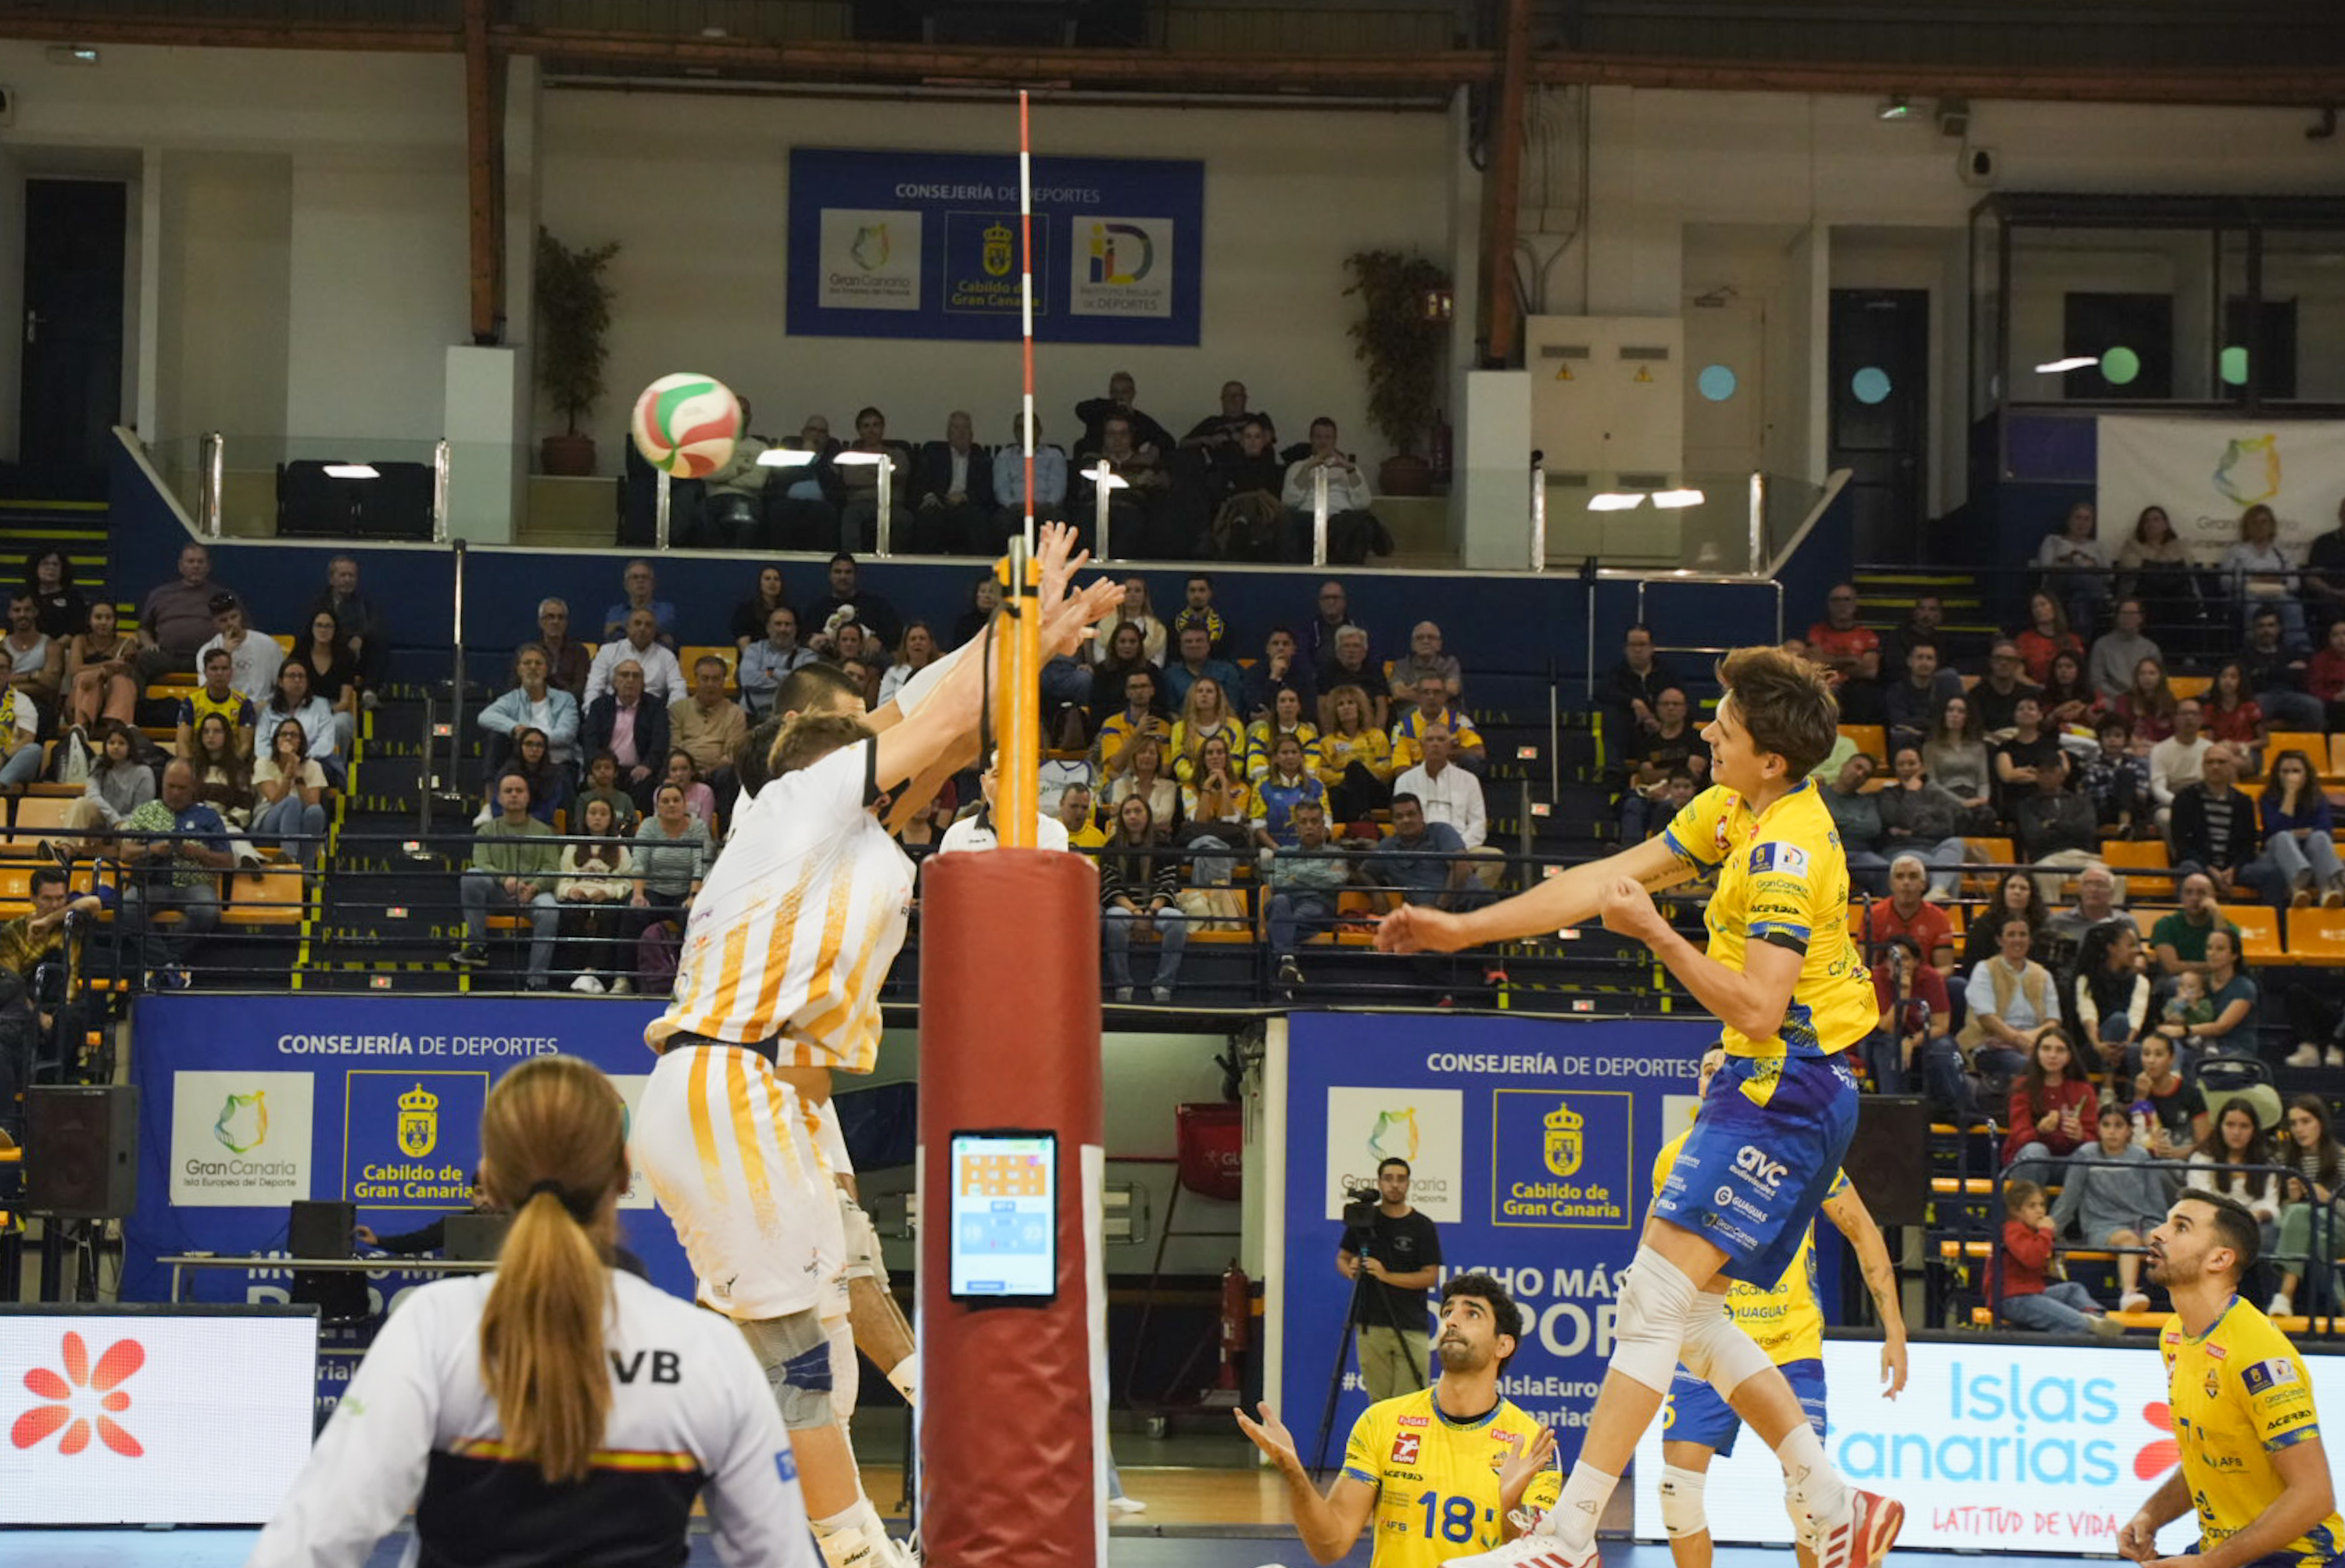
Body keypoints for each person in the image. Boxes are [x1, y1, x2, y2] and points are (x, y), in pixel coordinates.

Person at [629, 524, 1118, 1568]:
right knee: (801, 1360)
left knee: (829, 1338)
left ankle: (822, 1521)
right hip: (729, 1081)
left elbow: (945, 736)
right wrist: (1021, 617)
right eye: (862, 735)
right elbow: (930, 714)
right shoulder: (797, 798)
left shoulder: (852, 840)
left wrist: (1032, 642)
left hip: (769, 1092)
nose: (888, 754)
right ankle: (851, 1550)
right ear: (830, 756)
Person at [1383, 646, 1898, 1568]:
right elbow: (1603, 879)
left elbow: (1759, 1009)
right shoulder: (1735, 807)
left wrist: (1658, 932)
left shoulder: (1786, 849)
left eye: (1724, 727)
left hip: (1786, 1080)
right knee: (1686, 1318)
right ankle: (1833, 1500)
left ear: (1771, 756)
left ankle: (1570, 1531)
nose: (1706, 731)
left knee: (1653, 1299)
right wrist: (1464, 928)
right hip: (1771, 1082)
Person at [249, 1056, 817, 1568]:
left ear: (491, 1181)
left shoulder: (434, 1328)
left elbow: (311, 1543)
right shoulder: (706, 1350)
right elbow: (780, 1556)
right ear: (624, 1173)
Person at [1653, 1044, 1909, 1568]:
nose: (1714, 1075)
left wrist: (1896, 1332)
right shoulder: (1674, 1158)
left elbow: (1863, 1232)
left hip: (1787, 1344)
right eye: (1705, 1069)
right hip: (1706, 1344)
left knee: (1810, 1505)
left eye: (1726, 1067)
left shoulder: (1796, 1148)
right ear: (1698, 1085)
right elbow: (1660, 1256)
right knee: (1676, 1493)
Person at [1236, 1273, 1561, 1566]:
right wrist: (1294, 1473)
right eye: (1447, 1312)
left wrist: (1510, 1504)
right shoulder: (1383, 1422)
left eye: (1471, 1313)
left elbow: (1535, 1558)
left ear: (1503, 1345)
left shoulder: (1533, 1445)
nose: (1451, 1321)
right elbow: (1329, 1546)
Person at [2119, 1191, 2344, 1567]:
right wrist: (2150, 1516)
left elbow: (2314, 1496)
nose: (2158, 1233)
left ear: (2220, 1259)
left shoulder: (2258, 1355)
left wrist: (2208, 1564)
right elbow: (2211, 1456)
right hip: (2228, 1549)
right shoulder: (2174, 1334)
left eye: (2181, 1227)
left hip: (2299, 1557)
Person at [1337, 1156, 1443, 1404]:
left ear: (1408, 1184)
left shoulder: (1422, 1226)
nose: (1395, 1184)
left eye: (1401, 1179)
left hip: (1411, 1324)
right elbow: (1342, 1258)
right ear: (1379, 1182)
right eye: (1388, 1178)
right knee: (1379, 1405)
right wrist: (1350, 1269)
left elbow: (1430, 1276)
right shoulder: (1364, 1219)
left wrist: (1386, 1276)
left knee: (1411, 1404)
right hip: (1371, 1324)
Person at [118, 759, 231, 990]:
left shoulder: (208, 816)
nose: (176, 793)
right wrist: (152, 849)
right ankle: (170, 965)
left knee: (207, 910)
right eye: (171, 786)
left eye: (182, 788)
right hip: (153, 883)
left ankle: (160, 964)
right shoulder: (146, 812)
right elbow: (125, 852)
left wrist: (197, 853)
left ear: (193, 788)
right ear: (162, 785)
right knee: (127, 906)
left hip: (194, 885)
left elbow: (228, 862)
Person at [2051, 1103, 2168, 1313]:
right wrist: (2051, 1230)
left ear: (2129, 1130)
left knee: (2159, 1243)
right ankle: (2129, 1294)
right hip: (2102, 1226)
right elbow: (2069, 1199)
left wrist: (2161, 1229)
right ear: (2098, 1128)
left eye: (2118, 1125)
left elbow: (2155, 1199)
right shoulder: (2085, 1155)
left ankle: (2180, 1296)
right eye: (2106, 1125)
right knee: (2129, 1239)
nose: (2112, 1131)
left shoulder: (2141, 1156)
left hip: (2142, 1222)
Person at [453, 772, 560, 988]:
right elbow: (481, 862)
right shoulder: (486, 830)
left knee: (550, 909)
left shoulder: (544, 831)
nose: (514, 795)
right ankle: (477, 947)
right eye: (508, 791)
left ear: (528, 797)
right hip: (497, 892)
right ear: (499, 798)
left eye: (519, 791)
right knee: (472, 877)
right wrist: (505, 879)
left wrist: (533, 888)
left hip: (532, 894)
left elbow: (552, 869)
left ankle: (536, 981)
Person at [1992, 1179, 2120, 1337]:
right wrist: (2046, 1232)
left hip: (2032, 1292)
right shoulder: (2013, 1231)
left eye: (2042, 1205)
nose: (2040, 1211)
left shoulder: (2031, 1231)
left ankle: (2096, 1317)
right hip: (2013, 1299)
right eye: (2032, 1206)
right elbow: (2032, 1259)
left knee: (2072, 1289)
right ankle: (2086, 1324)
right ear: (2016, 1211)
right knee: (2076, 1325)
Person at [1960, 914, 2061, 1099]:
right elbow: (1987, 1019)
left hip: (2034, 1045)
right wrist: (2019, 1041)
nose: (2018, 940)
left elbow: (2053, 1021)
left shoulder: (2043, 974)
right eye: (2011, 934)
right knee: (2026, 1066)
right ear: (2000, 940)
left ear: (2030, 940)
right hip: (1991, 1046)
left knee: (2066, 1064)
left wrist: (2028, 1040)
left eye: (2023, 935)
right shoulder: (1985, 969)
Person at [2171, 743, 2282, 909]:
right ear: (2203, 767)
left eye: (2221, 762)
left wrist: (2234, 869)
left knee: (2272, 874)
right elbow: (2182, 845)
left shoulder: (2244, 802)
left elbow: (2248, 845)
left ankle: (2274, 923)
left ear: (2231, 767)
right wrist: (2210, 870)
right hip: (2200, 865)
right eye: (2210, 762)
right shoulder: (2184, 799)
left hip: (2234, 868)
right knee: (2188, 871)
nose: (2215, 767)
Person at [1099, 793, 1186, 1004]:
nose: (1133, 816)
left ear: (1147, 815)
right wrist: (1137, 912)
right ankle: (1123, 984)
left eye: (1138, 811)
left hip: (1156, 908)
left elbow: (1167, 884)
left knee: (1177, 921)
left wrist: (1150, 913)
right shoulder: (1112, 846)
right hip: (1125, 908)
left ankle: (1164, 984)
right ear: (1121, 818)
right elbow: (1111, 888)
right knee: (1114, 919)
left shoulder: (1163, 845)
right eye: (1127, 812)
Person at [2267, 1096, 2345, 1319]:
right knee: (2314, 1238)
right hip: (2308, 1235)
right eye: (2293, 1123)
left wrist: (2328, 1199)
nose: (2299, 1129)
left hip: (2339, 1230)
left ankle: (2285, 1295)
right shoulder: (2283, 1160)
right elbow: (2278, 1214)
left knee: (2301, 1213)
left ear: (2321, 1122)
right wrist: (2291, 1201)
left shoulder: (2342, 1158)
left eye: (2306, 1121)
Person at [1268, 799, 1350, 989]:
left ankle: (1283, 958)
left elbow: (1336, 881)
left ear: (1323, 826)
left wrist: (1296, 875)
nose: (1309, 826)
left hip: (1319, 906)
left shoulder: (1336, 853)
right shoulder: (1284, 852)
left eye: (1314, 821)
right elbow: (1277, 883)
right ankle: (1287, 960)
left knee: (1281, 922)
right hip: (1288, 903)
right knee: (1279, 900)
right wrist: (1318, 875)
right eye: (1303, 822)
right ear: (1296, 827)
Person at [1865, 934, 1955, 1107]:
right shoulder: (1876, 979)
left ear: (1916, 961)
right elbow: (1889, 1027)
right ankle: (1896, 1109)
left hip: (1921, 1038)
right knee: (1888, 1045)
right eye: (1892, 958)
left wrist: (1912, 1041)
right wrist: (1904, 990)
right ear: (1885, 963)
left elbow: (1941, 1026)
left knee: (1943, 1047)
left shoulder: (1931, 977)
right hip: (1882, 1039)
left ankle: (1952, 1110)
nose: (1899, 963)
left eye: (1905, 958)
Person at [1874, 749, 1971, 906]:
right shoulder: (1888, 794)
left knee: (1956, 843)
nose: (1907, 768)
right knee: (1946, 868)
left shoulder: (1935, 794)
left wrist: (1912, 831)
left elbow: (1947, 828)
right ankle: (1940, 896)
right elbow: (1898, 820)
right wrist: (1911, 792)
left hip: (1935, 849)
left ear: (1922, 767)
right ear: (1895, 769)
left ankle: (1937, 890)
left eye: (1912, 763)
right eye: (1901, 764)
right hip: (1901, 849)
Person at [556, 794, 633, 994]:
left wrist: (607, 892)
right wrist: (570, 891)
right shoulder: (572, 847)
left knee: (609, 915)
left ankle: (594, 973)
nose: (597, 818)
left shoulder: (620, 849)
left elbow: (626, 882)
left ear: (611, 819)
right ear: (585, 817)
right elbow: (561, 880)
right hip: (577, 897)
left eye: (603, 814)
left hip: (606, 898)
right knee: (571, 915)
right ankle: (574, 974)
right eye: (593, 813)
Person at [1282, 420, 1386, 564]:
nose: (1323, 442)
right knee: (1286, 519)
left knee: (1361, 521)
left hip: (1341, 522)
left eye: (1328, 437)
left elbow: (1363, 503)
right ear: (1311, 439)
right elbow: (1289, 501)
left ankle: (1347, 571)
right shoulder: (1297, 467)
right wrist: (1306, 469)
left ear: (1335, 440)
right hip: (1307, 520)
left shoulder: (1349, 468)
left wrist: (1349, 470)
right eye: (1318, 437)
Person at [934, 750, 1071, 856]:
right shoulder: (957, 834)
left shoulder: (1051, 831)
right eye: (997, 774)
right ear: (984, 783)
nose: (1007, 782)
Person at [582, 660, 671, 816]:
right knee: (587, 785)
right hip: (606, 769)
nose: (630, 680)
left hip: (639, 770)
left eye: (636, 676)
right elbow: (590, 741)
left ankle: (637, 830)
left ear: (643, 683)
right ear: (615, 681)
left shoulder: (655, 707)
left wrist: (648, 766)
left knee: (647, 786)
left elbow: (660, 742)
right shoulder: (599, 706)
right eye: (624, 675)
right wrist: (594, 768)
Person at [479, 644, 582, 777]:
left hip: (557, 764)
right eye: (527, 663)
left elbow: (566, 734)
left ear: (547, 670)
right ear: (519, 670)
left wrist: (532, 738)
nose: (533, 667)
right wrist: (514, 728)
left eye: (538, 663)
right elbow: (485, 717)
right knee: (497, 737)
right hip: (522, 767)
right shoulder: (511, 699)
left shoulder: (565, 699)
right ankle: (491, 788)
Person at [2220, 502, 2309, 650]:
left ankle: (2299, 650)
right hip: (2247, 596)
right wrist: (2253, 580)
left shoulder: (2282, 552)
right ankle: (2252, 651)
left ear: (2272, 526)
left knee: (2293, 606)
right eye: (2254, 523)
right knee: (2253, 608)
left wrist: (2279, 580)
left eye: (2264, 522)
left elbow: (2295, 583)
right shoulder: (2236, 552)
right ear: (2247, 527)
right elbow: (2225, 582)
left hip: (2277, 595)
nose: (2260, 527)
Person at [2071, 918, 2152, 1079]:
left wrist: (2125, 1046)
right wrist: (2098, 1045)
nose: (2137, 950)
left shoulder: (2141, 981)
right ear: (2112, 948)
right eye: (2131, 945)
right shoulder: (2086, 979)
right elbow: (2088, 1016)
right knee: (2119, 1020)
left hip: (2125, 1048)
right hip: (2095, 1048)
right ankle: (2107, 1084)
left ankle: (2137, 1094)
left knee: (2136, 1049)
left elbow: (2136, 1018)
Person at [136, 541, 229, 681]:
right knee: (143, 658)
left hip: (209, 659)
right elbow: (143, 629)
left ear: (208, 566)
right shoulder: (160, 594)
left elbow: (240, 629)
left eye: (200, 562)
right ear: (181, 566)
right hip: (168, 657)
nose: (196, 566)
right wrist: (149, 645)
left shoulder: (223, 596)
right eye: (191, 561)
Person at [251, 718, 329, 867]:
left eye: (293, 735)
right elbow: (276, 800)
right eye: (283, 734)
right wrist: (288, 772)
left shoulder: (313, 766)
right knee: (292, 802)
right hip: (267, 821)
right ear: (276, 740)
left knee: (316, 812)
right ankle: (290, 860)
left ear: (301, 741)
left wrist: (298, 775)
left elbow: (313, 804)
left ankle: (305, 869)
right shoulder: (263, 763)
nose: (288, 738)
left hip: (300, 820)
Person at [1866, 853, 1954, 977]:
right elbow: (1865, 965)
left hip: (1925, 981)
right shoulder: (1874, 915)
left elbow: (1946, 967)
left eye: (1913, 876)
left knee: (1957, 984)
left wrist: (1918, 979)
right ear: (1891, 884)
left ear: (1923, 884)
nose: (1906, 882)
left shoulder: (1939, 917)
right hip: (1884, 981)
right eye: (1900, 876)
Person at [62, 598, 141, 732]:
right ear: (89, 620)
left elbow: (125, 669)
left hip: (114, 700)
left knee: (122, 682)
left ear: (115, 620)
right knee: (86, 678)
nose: (103, 622)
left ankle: (117, 731)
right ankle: (81, 729)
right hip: (80, 700)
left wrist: (100, 672)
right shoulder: (80, 640)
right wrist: (106, 666)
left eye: (108, 618)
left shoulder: (128, 643)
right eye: (98, 617)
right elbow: (75, 669)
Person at [1318, 683, 1395, 822]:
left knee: (1355, 768)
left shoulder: (1377, 735)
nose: (1346, 707)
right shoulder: (1327, 742)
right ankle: (1360, 821)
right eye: (1340, 704)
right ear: (1335, 711)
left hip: (1375, 791)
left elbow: (1386, 768)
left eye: (1351, 703)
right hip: (1344, 792)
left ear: (1360, 707)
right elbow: (1323, 774)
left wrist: (1361, 773)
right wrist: (1349, 776)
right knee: (1340, 789)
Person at [2151, 872, 2243, 985]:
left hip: (2217, 980)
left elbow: (2228, 960)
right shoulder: (2165, 925)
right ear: (2181, 897)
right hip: (2179, 982)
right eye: (2188, 893)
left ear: (2213, 897)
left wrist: (2216, 913)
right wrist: (2214, 966)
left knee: (2244, 985)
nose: (2194, 898)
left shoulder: (2227, 926)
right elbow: (2172, 967)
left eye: (2202, 893)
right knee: (2176, 983)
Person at [2038, 499, 2114, 635]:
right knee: (2080, 576)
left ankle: (2079, 641)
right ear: (2069, 521)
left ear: (2092, 523)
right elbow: (2045, 567)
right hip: (2058, 588)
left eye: (2087, 519)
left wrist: (2068, 562)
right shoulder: (2053, 541)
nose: (2082, 523)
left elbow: (2110, 576)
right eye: (2078, 517)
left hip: (2085, 595)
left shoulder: (2099, 546)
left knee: (2079, 599)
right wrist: (2081, 564)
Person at [585, 608, 685, 708]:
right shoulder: (607, 651)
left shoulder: (667, 657)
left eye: (648, 625)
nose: (642, 628)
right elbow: (594, 687)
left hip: (651, 712)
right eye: (637, 623)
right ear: (627, 627)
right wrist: (591, 713)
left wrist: (669, 715)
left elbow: (678, 689)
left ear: (655, 631)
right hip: (611, 711)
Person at [2132, 1032, 2207, 1160]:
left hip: (2182, 1161)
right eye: (2146, 1054)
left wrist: (2179, 1153)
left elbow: (2204, 1143)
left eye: (2158, 1054)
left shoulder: (2191, 1094)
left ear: (2172, 1059)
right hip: (2148, 1160)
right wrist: (2140, 1098)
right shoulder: (2137, 1089)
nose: (2151, 1060)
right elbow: (2135, 1141)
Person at [737, 606, 819, 720]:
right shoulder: (753, 650)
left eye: (788, 624)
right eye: (778, 624)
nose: (783, 629)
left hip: (792, 720)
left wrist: (772, 672)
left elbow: (805, 686)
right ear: (768, 628)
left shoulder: (808, 656)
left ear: (795, 629)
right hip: (752, 718)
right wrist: (789, 681)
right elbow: (748, 680)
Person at [2088, 598, 2162, 703]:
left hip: (2143, 701)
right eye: (2124, 613)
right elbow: (2097, 681)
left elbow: (2158, 681)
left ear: (2141, 618)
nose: (2128, 617)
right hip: (2112, 701)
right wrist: (2121, 698)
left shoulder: (2151, 648)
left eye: (2133, 613)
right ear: (2117, 617)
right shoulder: (2101, 645)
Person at [600, 558, 678, 646]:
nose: (640, 581)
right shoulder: (615, 612)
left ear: (653, 584)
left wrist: (619, 626)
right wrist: (653, 633)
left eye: (645, 577)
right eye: (635, 577)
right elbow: (611, 637)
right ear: (626, 585)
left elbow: (662, 627)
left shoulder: (665, 610)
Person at [2014, 591, 2085, 686]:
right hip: (2036, 689)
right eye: (2035, 607)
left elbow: (2080, 673)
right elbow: (2017, 674)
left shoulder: (2073, 640)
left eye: (2043, 604)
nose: (2039, 609)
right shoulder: (2025, 639)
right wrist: (2037, 687)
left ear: (2054, 607)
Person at [529, 597, 592, 703]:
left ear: (566, 623)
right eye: (550, 617)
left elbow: (580, 688)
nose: (555, 621)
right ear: (540, 622)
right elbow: (515, 686)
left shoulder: (579, 652)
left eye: (560, 617)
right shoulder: (528, 652)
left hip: (569, 705)